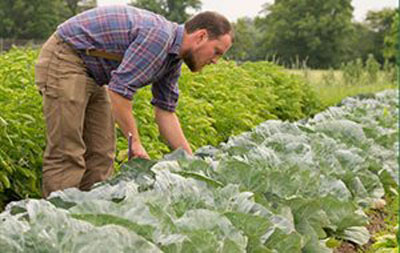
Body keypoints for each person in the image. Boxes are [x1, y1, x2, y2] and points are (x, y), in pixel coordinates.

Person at [35, 5, 234, 197]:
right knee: (68, 150)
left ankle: (88, 218)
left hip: (93, 72)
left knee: (102, 153)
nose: (215, 60)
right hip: (67, 56)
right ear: (201, 36)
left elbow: (165, 112)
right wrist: (135, 143)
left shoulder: (173, 60)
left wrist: (192, 164)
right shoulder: (159, 38)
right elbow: (119, 91)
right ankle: (57, 220)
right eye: (216, 51)